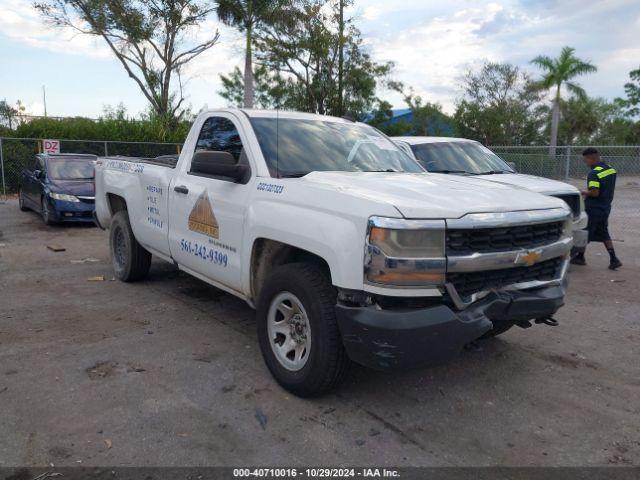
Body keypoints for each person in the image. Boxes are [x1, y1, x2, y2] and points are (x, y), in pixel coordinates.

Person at [571, 147, 622, 270]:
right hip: (605, 207)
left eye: (585, 161)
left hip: (593, 208)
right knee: (603, 232)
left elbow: (594, 193)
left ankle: (574, 257)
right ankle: (613, 259)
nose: (586, 163)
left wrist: (582, 191)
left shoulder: (593, 173)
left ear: (591, 158)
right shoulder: (610, 169)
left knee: (584, 233)